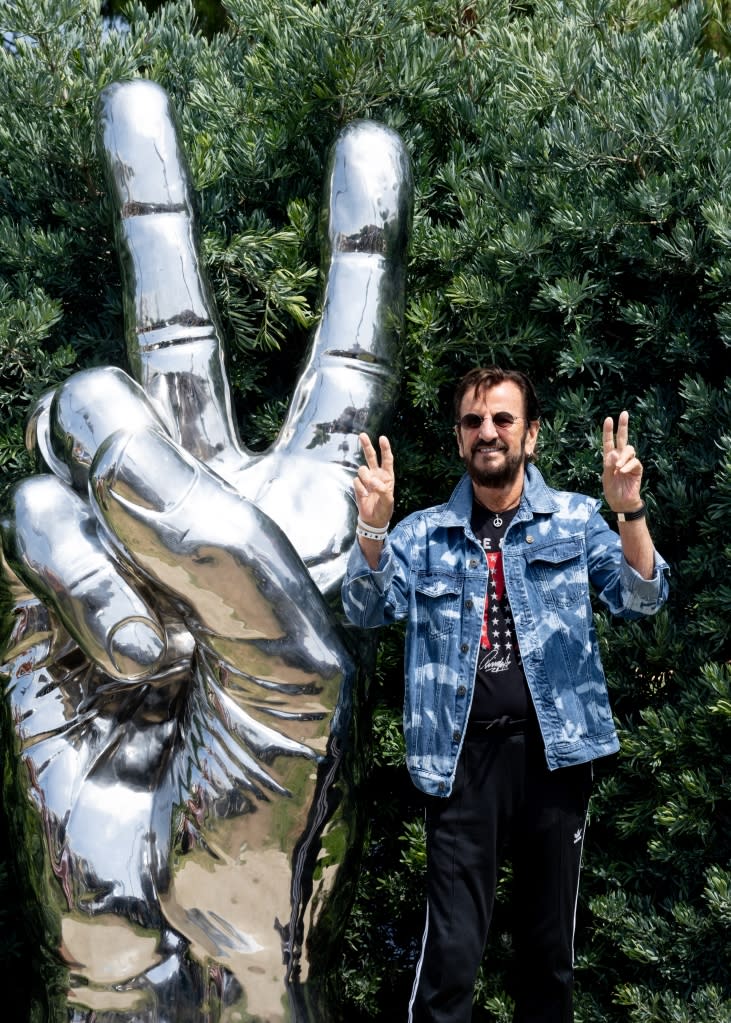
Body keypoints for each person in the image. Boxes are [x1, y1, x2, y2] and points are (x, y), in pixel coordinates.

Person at [341, 365, 669, 1023]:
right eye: (472, 421)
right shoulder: (422, 533)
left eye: (501, 419)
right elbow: (363, 605)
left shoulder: (575, 520)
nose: (487, 432)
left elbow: (642, 596)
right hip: (460, 766)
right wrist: (372, 530)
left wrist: (627, 509)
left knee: (548, 957)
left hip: (557, 759)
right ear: (459, 439)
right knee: (450, 960)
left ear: (531, 435)